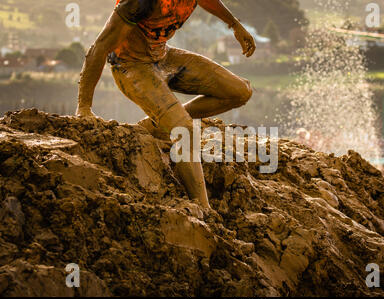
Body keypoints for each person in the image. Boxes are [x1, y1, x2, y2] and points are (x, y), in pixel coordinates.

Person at [76, 0, 256, 208]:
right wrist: (84, 108)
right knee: (184, 130)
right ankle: (204, 211)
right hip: (131, 66)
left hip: (163, 57)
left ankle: (157, 124)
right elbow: (100, 46)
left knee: (240, 91)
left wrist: (234, 24)